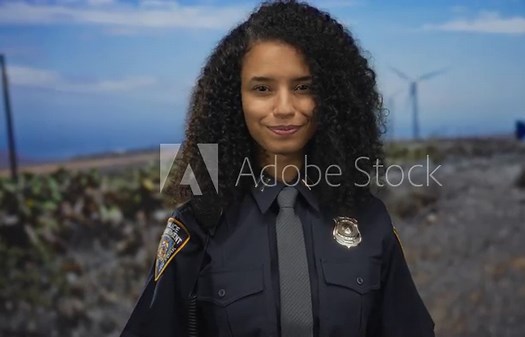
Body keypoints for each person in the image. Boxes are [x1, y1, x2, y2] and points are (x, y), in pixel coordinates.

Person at [121, 1, 435, 336]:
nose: (284, 108)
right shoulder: (197, 224)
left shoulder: (370, 219)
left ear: (333, 97)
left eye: (304, 87)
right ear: (234, 98)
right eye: (262, 89)